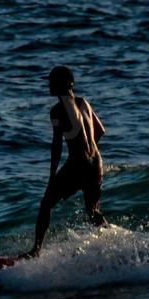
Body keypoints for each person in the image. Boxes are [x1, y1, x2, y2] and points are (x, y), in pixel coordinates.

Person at [23, 67, 107, 259]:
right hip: (96, 163)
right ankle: (111, 239)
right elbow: (100, 131)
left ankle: (36, 250)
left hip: (78, 164)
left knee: (46, 204)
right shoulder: (84, 103)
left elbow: (56, 146)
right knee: (92, 211)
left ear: (60, 85)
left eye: (51, 82)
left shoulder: (57, 111)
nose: (48, 85)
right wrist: (88, 151)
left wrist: (52, 177)